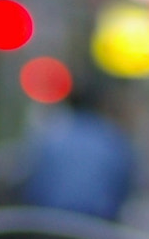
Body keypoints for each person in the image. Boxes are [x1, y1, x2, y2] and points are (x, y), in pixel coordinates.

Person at [20, 79, 138, 224]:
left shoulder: (51, 137)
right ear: (101, 105)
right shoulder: (114, 140)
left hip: (49, 226)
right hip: (97, 231)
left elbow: (32, 188)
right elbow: (125, 192)